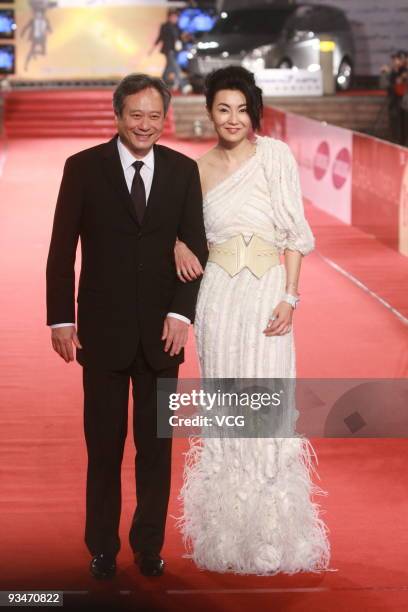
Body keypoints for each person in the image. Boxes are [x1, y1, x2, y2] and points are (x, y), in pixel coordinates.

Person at [46, 74, 208, 579]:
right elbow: (60, 250)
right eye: (135, 115)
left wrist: (182, 314)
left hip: (164, 336)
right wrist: (60, 318)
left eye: (154, 116)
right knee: (104, 446)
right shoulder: (83, 168)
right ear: (117, 116)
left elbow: (196, 245)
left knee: (156, 450)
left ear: (166, 118)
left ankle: (148, 546)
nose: (145, 125)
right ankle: (101, 546)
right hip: (102, 332)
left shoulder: (183, 171)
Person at [174, 66, 330, 574]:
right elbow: (183, 232)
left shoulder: (275, 156)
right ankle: (227, 535)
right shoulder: (195, 170)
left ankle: (270, 535)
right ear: (210, 112)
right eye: (223, 108)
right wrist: (177, 241)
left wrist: (291, 297)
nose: (233, 118)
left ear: (254, 110)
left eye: (242, 109)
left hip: (267, 295)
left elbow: (294, 234)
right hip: (218, 301)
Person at [149, 9, 190, 93]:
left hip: (176, 50)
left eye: (176, 17)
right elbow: (160, 37)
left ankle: (160, 84)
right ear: (169, 17)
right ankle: (183, 85)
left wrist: (186, 38)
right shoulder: (164, 26)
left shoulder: (177, 27)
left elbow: (181, 38)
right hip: (168, 50)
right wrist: (152, 49)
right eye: (174, 17)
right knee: (176, 67)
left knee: (168, 68)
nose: (175, 18)